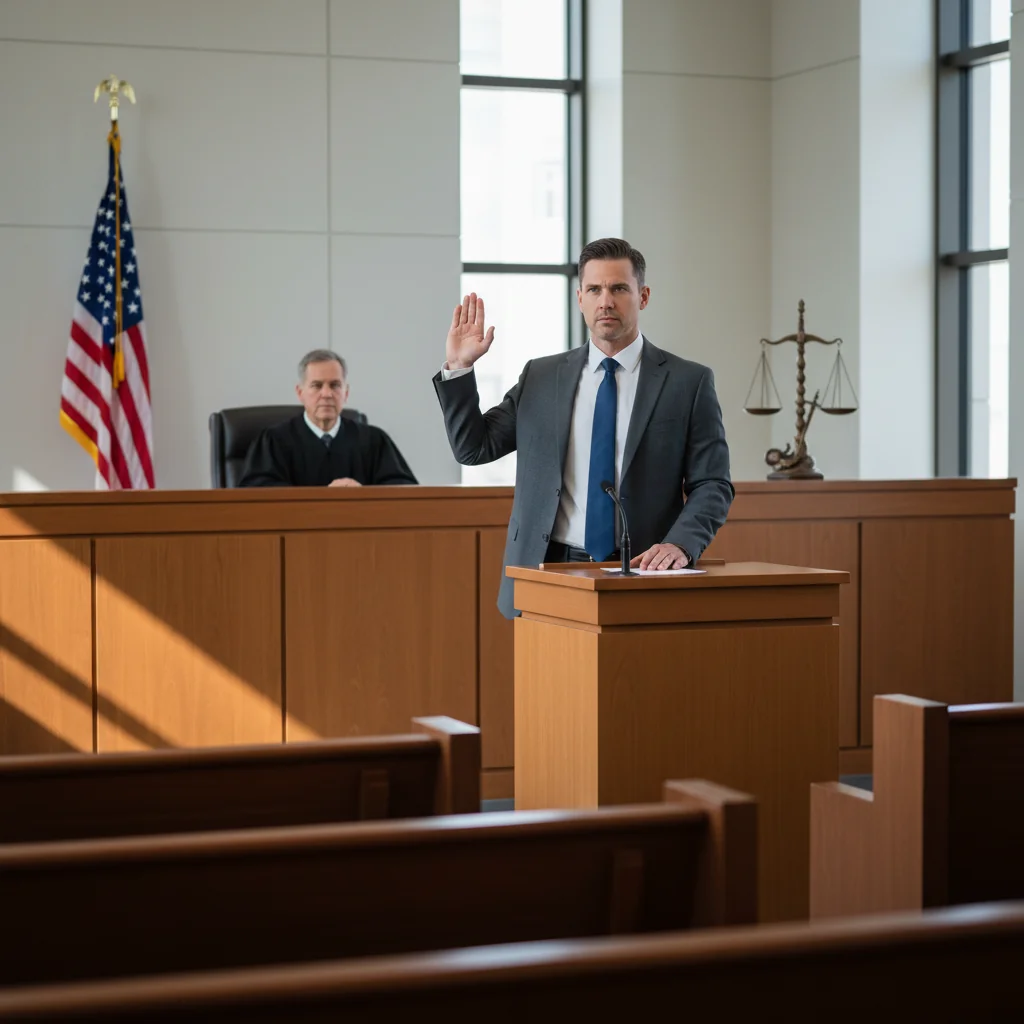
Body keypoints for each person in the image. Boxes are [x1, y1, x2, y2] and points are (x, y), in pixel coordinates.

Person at [433, 237, 733, 618]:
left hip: (642, 570)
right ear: (580, 299)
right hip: (548, 568)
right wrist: (459, 369)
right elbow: (474, 449)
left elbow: (713, 483)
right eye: (594, 289)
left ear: (643, 296)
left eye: (619, 288)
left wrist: (681, 544)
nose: (605, 300)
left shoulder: (687, 382)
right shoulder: (541, 377)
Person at [240, 349, 417, 487]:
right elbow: (257, 494)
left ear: (346, 393)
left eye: (335, 385)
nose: (326, 394)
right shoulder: (274, 441)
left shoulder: (374, 441)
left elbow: (404, 489)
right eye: (317, 386)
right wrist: (321, 499)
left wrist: (364, 493)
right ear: (300, 393)